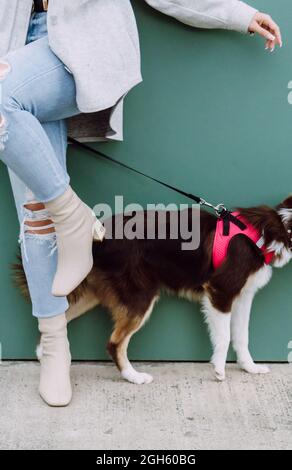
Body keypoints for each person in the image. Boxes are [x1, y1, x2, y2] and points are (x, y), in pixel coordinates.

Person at [0, 0, 282, 407]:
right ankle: (54, 347)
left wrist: (236, 14)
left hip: (80, 47)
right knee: (36, 212)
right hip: (11, 45)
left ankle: (72, 217)